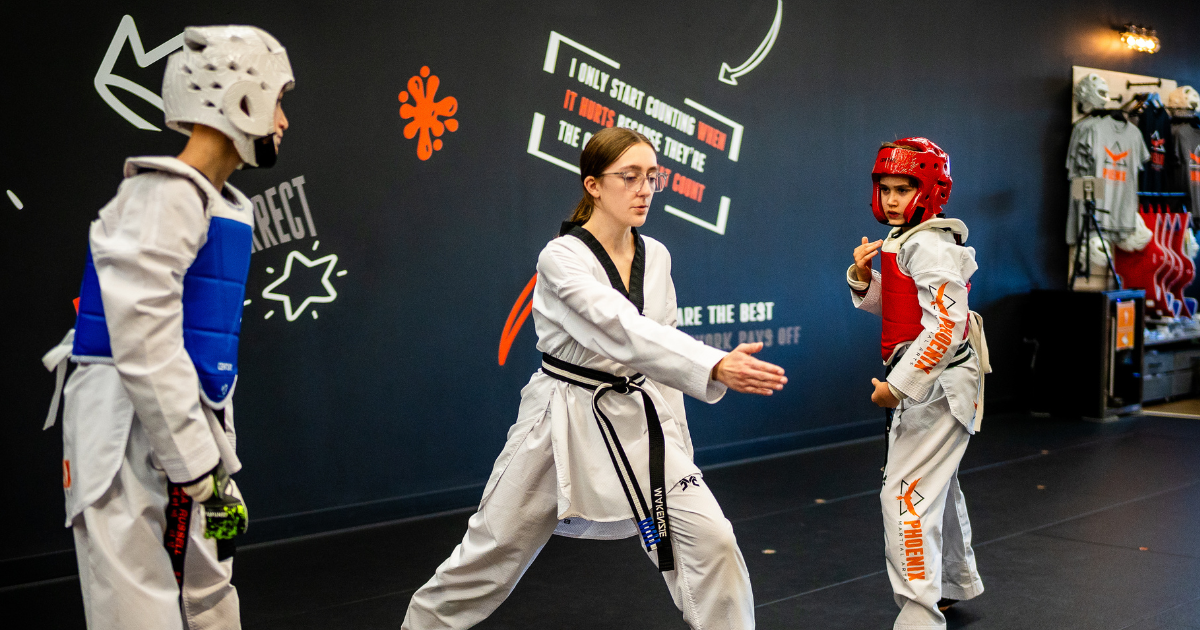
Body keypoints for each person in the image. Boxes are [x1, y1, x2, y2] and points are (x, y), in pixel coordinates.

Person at [402, 127, 787, 630]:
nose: (644, 188)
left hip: (639, 423)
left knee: (713, 541)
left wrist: (677, 445)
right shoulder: (561, 258)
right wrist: (713, 365)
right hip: (558, 421)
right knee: (487, 558)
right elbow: (621, 328)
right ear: (593, 186)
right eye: (629, 177)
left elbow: (661, 354)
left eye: (652, 176)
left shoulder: (659, 255)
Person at [40, 26, 294, 630]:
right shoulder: (161, 196)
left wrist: (212, 462)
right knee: (135, 605)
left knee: (210, 587)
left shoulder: (223, 202)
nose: (282, 120)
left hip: (191, 420)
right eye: (277, 100)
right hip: (123, 426)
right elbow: (145, 342)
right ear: (240, 100)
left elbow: (186, 347)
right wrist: (198, 466)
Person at [846, 138, 991, 630]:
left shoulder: (928, 242)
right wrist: (865, 280)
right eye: (885, 188)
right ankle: (952, 583)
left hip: (938, 384)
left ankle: (919, 616)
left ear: (929, 190)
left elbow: (947, 328)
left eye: (903, 188)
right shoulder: (906, 239)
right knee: (937, 486)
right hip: (934, 377)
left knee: (905, 495)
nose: (890, 198)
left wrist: (899, 387)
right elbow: (909, 313)